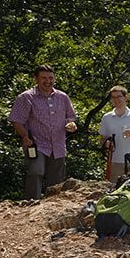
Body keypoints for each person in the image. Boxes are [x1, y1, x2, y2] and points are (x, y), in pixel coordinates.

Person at [9, 65, 77, 200]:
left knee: (56, 180)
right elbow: (16, 120)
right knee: (36, 172)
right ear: (36, 79)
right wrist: (24, 136)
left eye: (51, 78)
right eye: (44, 78)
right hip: (36, 143)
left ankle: (52, 207)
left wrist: (71, 124)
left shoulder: (62, 97)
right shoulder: (26, 97)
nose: (48, 81)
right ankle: (32, 203)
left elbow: (71, 117)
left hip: (57, 144)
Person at [98, 85, 130, 183]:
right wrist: (105, 143)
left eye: (119, 96)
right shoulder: (107, 117)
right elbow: (102, 139)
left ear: (126, 97)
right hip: (114, 162)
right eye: (113, 97)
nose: (116, 99)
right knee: (113, 191)